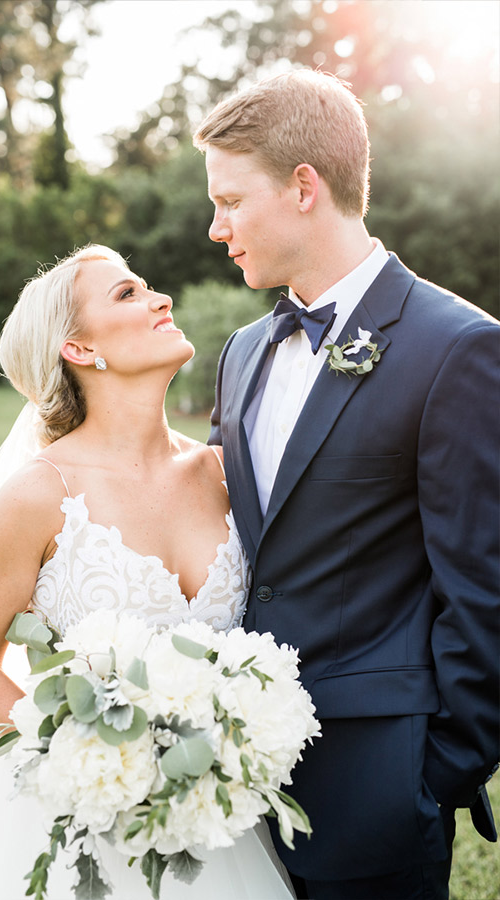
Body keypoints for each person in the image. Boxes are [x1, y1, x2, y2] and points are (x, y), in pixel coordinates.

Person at [0, 244, 294, 899]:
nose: (160, 299)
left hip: (211, 813)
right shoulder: (37, 496)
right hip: (73, 824)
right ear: (79, 350)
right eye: (127, 294)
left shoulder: (226, 473)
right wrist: (85, 759)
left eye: (147, 288)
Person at [193, 68, 499, 900]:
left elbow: (486, 591)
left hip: (378, 790)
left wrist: (429, 775)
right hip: (225, 794)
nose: (216, 227)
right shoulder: (244, 352)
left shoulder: (457, 348)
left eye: (230, 201)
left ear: (303, 187)